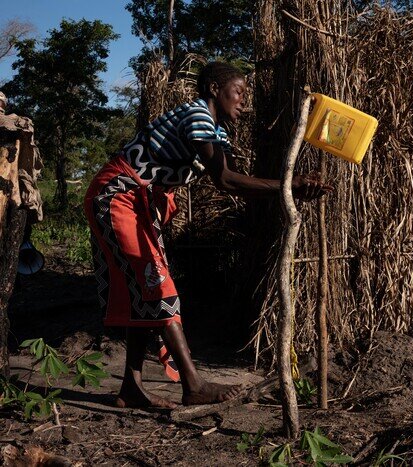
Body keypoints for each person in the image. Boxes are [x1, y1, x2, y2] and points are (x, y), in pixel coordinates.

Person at [83, 62, 332, 408]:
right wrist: (289, 185)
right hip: (118, 195)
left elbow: (235, 180)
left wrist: (290, 186)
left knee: (145, 289)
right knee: (157, 284)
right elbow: (226, 181)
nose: (244, 101)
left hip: (140, 203)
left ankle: (131, 387)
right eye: (239, 91)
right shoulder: (198, 115)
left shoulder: (216, 130)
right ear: (214, 88)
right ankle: (193, 384)